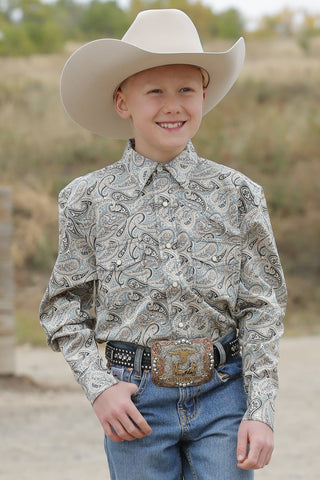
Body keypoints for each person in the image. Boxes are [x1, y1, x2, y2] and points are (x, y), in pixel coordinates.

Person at [39, 9, 287, 480]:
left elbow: (263, 306)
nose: (172, 105)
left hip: (224, 393)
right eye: (155, 91)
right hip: (133, 400)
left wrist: (261, 409)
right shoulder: (86, 199)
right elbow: (62, 308)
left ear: (204, 96)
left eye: (186, 90)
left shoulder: (238, 194)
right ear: (122, 102)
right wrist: (99, 387)